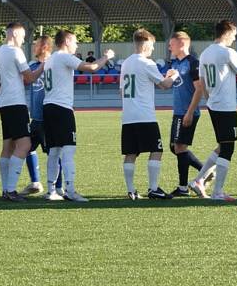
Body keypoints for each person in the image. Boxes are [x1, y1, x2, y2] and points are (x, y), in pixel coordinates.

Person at [188, 20, 237, 201]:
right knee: (228, 148)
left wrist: (210, 101)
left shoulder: (206, 53)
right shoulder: (227, 52)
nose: (235, 37)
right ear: (227, 33)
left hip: (214, 104)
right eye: (234, 34)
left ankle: (199, 180)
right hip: (225, 106)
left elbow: (202, 82)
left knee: (222, 145)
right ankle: (218, 192)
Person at [42, 30, 115, 202]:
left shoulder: (50, 59)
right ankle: (71, 190)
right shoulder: (63, 56)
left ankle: (51, 190)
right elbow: (92, 68)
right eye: (75, 41)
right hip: (61, 108)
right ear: (67, 41)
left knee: (54, 151)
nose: (77, 45)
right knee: (68, 149)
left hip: (49, 106)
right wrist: (107, 57)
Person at [120, 29, 178, 200]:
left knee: (130, 154)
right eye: (152, 46)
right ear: (145, 45)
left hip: (128, 116)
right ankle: (153, 189)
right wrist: (174, 76)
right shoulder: (147, 63)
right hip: (145, 116)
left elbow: (121, 92)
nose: (153, 49)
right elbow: (165, 85)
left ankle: (131, 190)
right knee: (156, 150)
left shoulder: (126, 63)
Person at [0, 22, 45, 202]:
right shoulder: (15, 51)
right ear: (15, 34)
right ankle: (11, 189)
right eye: (22, 36)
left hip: (4, 103)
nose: (23, 41)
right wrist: (43, 65)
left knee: (8, 146)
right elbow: (29, 78)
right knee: (24, 145)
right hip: (16, 103)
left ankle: (5, 189)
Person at [167, 31, 209, 197]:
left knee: (179, 147)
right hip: (178, 111)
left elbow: (199, 89)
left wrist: (190, 112)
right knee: (175, 147)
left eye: (172, 44)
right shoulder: (175, 63)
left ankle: (184, 187)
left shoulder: (193, 63)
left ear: (182, 44)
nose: (169, 47)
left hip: (186, 112)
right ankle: (205, 171)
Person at [23, 36, 60, 197]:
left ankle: (58, 188)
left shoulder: (55, 63)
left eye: (36, 44)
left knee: (53, 152)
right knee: (26, 148)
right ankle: (35, 182)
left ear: (44, 46)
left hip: (49, 117)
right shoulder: (32, 66)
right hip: (36, 117)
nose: (33, 47)